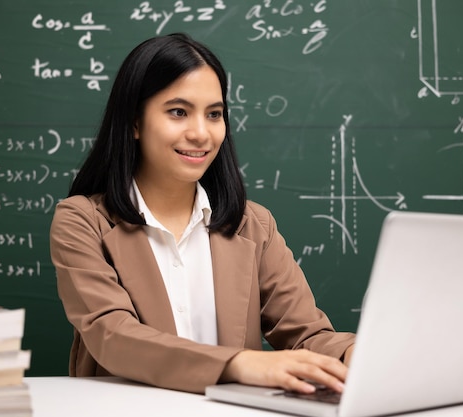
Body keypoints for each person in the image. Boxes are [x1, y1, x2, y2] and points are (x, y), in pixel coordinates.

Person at [50, 33, 355, 395]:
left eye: (214, 114)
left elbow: (307, 334)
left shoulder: (254, 225)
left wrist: (356, 354)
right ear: (134, 122)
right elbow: (112, 336)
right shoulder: (82, 222)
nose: (200, 133)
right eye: (178, 112)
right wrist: (239, 364)